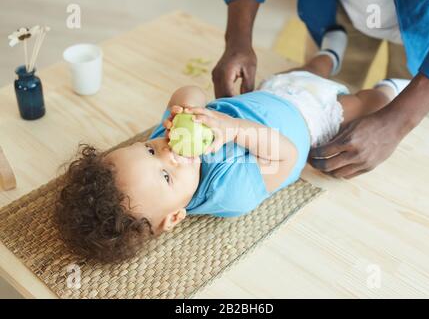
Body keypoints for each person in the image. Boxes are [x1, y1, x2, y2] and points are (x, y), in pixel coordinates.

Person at [56, 43, 409, 262]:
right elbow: (287, 155)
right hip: (314, 115)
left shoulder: (168, 138)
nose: (168, 151)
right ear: (175, 217)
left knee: (306, 69)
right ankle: (393, 85)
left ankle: (329, 51)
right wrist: (232, 129)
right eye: (165, 175)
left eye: (148, 150)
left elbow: (188, 90)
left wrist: (190, 108)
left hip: (273, 90)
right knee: (363, 102)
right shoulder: (230, 191)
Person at [213, 0, 429, 178]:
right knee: (334, 94)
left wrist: (400, 119)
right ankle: (332, 54)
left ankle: (390, 84)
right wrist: (237, 39)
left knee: (384, 109)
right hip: (339, 17)